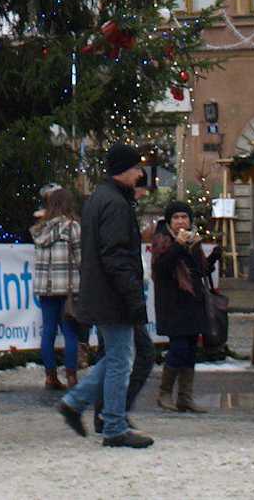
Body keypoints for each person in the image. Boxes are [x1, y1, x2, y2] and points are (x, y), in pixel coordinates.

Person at [56, 142, 153, 450]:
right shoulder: (116, 204)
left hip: (102, 291)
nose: (140, 174)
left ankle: (75, 403)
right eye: (136, 168)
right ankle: (113, 426)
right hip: (113, 295)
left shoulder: (100, 198)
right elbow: (116, 256)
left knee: (115, 357)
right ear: (123, 170)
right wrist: (132, 296)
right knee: (121, 361)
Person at [150, 201, 209, 412]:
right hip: (172, 303)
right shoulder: (162, 239)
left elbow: (200, 271)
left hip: (192, 301)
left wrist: (208, 255)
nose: (180, 221)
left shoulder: (193, 240)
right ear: (169, 221)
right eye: (176, 218)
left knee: (191, 349)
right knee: (179, 347)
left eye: (184, 217)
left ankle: (185, 396)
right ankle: (164, 393)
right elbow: (161, 269)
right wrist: (178, 245)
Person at [31, 185, 81, 390]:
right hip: (68, 287)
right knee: (70, 332)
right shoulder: (73, 227)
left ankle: (50, 376)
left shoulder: (39, 229)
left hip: (45, 288)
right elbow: (80, 258)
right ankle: (71, 376)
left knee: (48, 331)